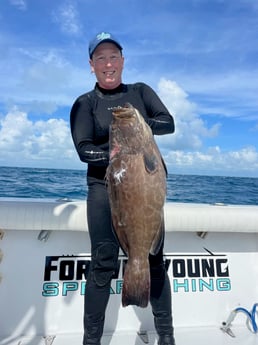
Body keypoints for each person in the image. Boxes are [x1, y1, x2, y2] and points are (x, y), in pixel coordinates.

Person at [70, 31, 176, 345]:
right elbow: (83, 148)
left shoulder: (141, 92)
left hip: (143, 188)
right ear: (91, 65)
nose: (108, 63)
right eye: (100, 58)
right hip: (104, 189)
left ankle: (166, 336)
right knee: (103, 262)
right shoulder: (85, 103)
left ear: (123, 61)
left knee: (154, 260)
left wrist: (138, 122)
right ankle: (91, 340)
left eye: (113, 56)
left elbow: (167, 123)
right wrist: (113, 154)